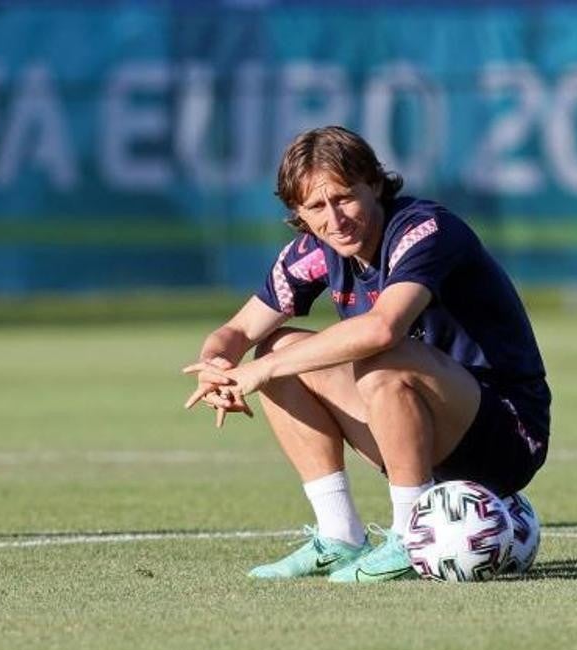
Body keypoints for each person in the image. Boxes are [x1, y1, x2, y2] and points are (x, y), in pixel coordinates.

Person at [182, 125, 550, 583]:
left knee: (378, 356)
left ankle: (409, 537)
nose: (334, 219)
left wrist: (259, 370)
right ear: (298, 212)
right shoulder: (315, 251)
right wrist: (217, 366)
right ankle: (339, 536)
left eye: (344, 198)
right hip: (418, 431)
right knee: (277, 346)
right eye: (316, 207)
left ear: (374, 184)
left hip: (504, 435)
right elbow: (237, 330)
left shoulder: (424, 229)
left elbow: (383, 328)